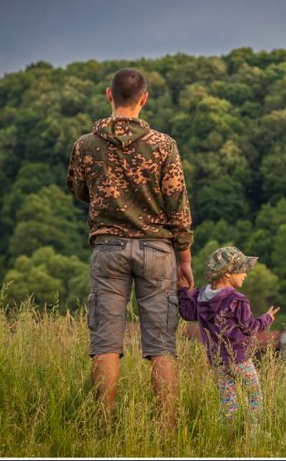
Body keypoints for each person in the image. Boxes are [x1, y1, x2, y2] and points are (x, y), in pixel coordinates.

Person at [66, 68, 194, 428]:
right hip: (157, 252)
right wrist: (184, 259)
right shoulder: (164, 145)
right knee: (162, 345)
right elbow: (178, 207)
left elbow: (78, 189)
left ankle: (102, 429)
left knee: (105, 343)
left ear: (109, 95)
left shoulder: (85, 145)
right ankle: (167, 431)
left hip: (108, 249)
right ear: (144, 99)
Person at [177, 246, 279, 430]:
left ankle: (227, 437)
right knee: (254, 396)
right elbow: (250, 328)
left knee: (228, 403)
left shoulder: (201, 298)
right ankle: (254, 436)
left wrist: (183, 290)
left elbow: (186, 312)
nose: (246, 274)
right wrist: (267, 318)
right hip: (240, 360)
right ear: (228, 273)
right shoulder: (237, 299)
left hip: (217, 362)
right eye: (242, 269)